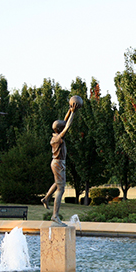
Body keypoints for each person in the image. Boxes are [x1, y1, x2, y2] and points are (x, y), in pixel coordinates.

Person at [41, 96, 81, 225]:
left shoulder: (55, 136)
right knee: (61, 189)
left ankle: (46, 198)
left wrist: (69, 110)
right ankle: (55, 216)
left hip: (56, 163)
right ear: (60, 129)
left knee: (57, 183)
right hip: (58, 164)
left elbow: (64, 122)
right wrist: (73, 113)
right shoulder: (59, 138)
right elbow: (67, 126)